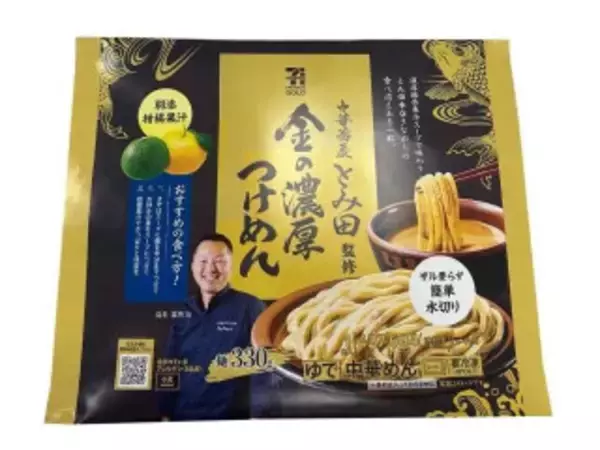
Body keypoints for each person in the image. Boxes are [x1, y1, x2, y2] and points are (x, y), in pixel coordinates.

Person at [159, 233, 278, 421]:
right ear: (192, 266)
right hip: (183, 419)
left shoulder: (251, 307)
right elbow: (169, 365)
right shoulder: (182, 310)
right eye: (203, 261)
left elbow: (264, 372)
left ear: (231, 266)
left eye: (219, 261)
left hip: (231, 422)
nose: (210, 269)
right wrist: (164, 413)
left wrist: (259, 419)